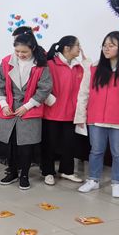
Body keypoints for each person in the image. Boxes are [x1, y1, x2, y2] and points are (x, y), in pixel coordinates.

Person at [74, 31, 119, 198]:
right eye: (104, 45)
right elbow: (83, 93)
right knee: (96, 151)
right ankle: (93, 180)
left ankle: (117, 182)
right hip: (96, 118)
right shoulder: (94, 68)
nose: (106, 48)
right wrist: (80, 116)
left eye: (111, 45)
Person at [0, 32, 52, 190]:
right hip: (9, 108)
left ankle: (24, 174)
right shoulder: (6, 61)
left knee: (26, 145)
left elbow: (45, 88)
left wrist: (27, 106)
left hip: (30, 109)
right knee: (10, 143)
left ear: (33, 48)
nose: (20, 54)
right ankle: (12, 172)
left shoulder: (41, 65)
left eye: (24, 51)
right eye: (17, 51)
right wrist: (3, 104)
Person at [41, 35, 89, 186]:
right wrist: (50, 100)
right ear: (67, 48)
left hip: (71, 113)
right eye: (77, 45)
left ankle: (67, 171)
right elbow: (41, 85)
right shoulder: (50, 64)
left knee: (69, 144)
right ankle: (48, 172)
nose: (80, 48)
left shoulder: (78, 66)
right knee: (50, 145)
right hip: (52, 112)